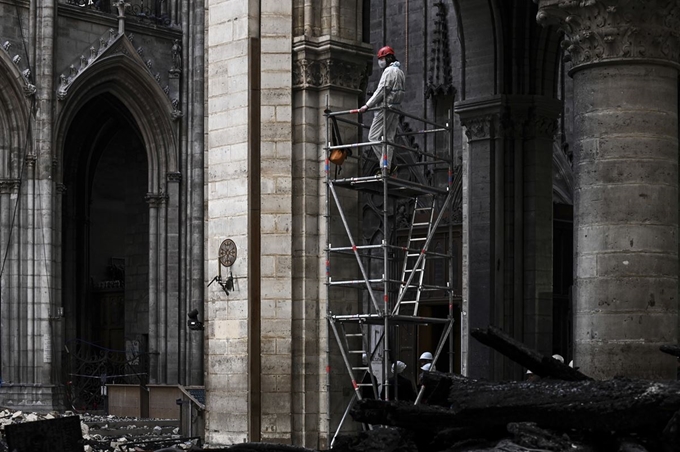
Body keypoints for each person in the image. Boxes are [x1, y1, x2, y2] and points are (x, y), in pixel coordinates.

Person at [359, 45, 405, 174]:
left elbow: (381, 91)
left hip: (385, 108)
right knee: (389, 139)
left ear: (389, 58)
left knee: (373, 137)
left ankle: (386, 164)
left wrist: (367, 105)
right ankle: (387, 168)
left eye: (382, 58)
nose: (380, 61)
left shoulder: (389, 71)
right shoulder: (400, 72)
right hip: (395, 109)